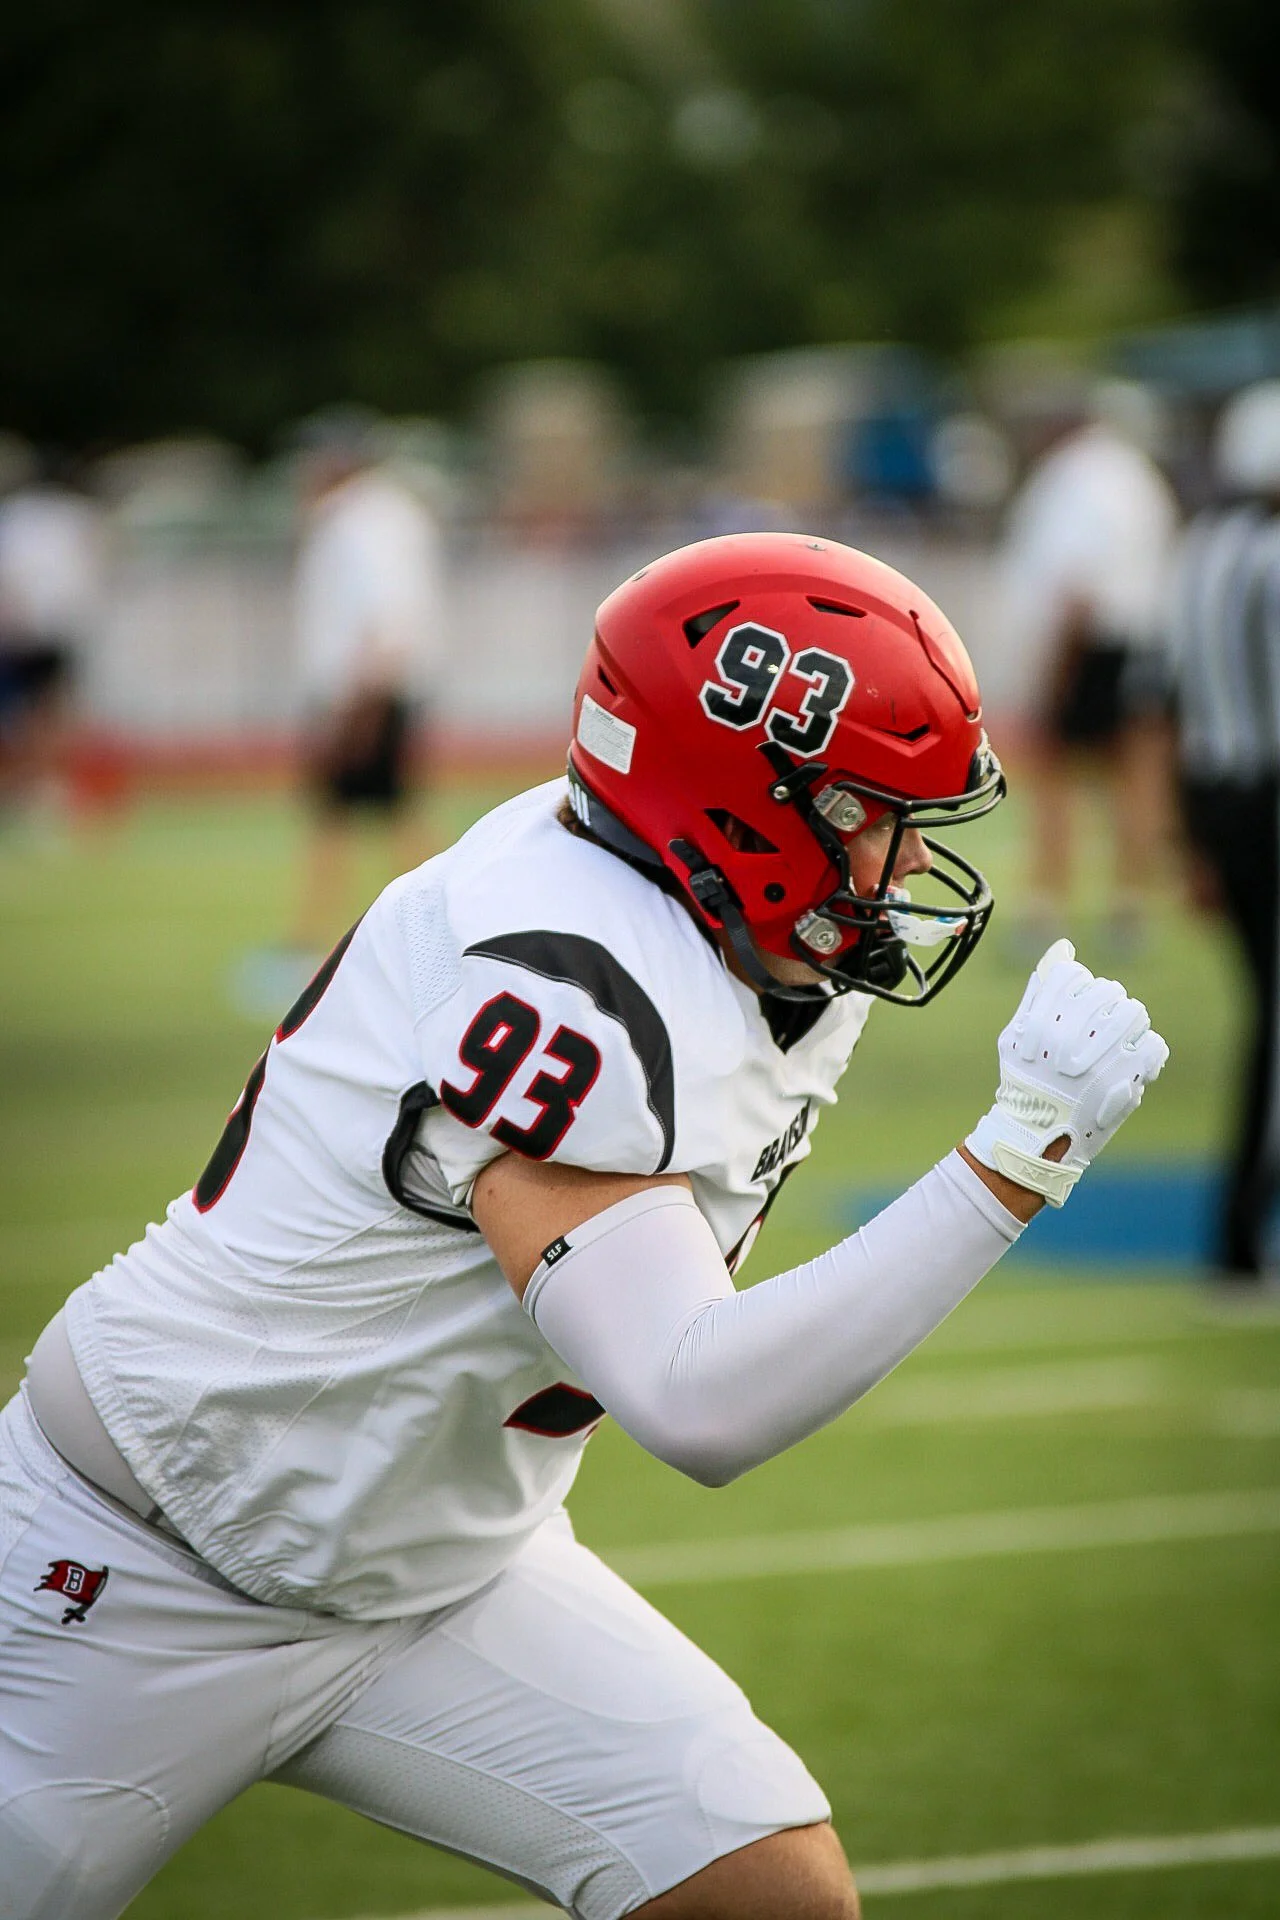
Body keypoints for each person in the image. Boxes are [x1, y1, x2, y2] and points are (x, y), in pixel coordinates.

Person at [0, 534, 1167, 1919]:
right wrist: (1011, 1164)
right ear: (743, 803)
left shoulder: (746, 926)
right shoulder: (568, 979)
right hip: (141, 1562)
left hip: (433, 1565)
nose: (908, 856)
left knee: (767, 1896)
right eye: (870, 808)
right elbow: (696, 1399)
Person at [1164, 382, 1280, 1283]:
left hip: (1217, 798)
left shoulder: (1202, 546)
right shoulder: (1268, 555)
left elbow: (1168, 703)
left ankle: (1238, 1231)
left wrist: (1187, 836)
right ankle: (1239, 1234)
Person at [999, 379, 1180, 954]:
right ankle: (1130, 908)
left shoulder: (1074, 478)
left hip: (1089, 646)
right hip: (1139, 640)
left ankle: (1045, 908)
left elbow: (1073, 589)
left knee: (1055, 780)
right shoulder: (1136, 476)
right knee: (1134, 782)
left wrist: (1053, 678)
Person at [291, 406, 445, 951]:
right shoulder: (393, 514)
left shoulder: (357, 519)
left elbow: (384, 614)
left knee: (344, 816)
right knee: (387, 814)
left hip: (362, 693)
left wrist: (361, 707)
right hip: (377, 690)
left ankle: (309, 940)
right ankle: (444, 927)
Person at [0, 451, 105, 830]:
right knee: (49, 714)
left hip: (22, 629)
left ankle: (34, 789)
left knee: (26, 716)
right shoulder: (75, 517)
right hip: (54, 627)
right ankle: (40, 788)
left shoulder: (14, 517)